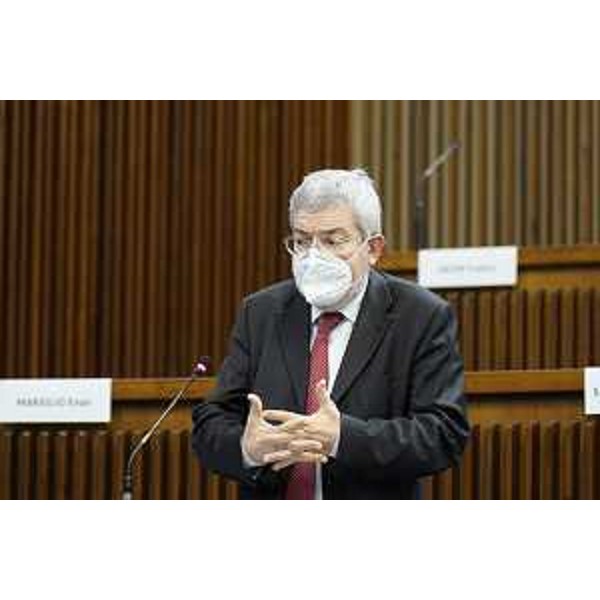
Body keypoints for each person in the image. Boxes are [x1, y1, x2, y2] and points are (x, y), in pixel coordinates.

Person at [192, 168, 469, 499]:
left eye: (333, 241)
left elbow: (443, 434)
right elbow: (211, 423)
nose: (314, 257)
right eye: (302, 241)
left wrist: (342, 437)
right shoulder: (261, 312)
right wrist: (247, 448)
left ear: (373, 248)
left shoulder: (421, 316)